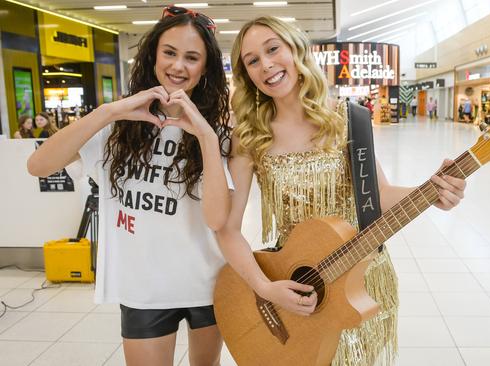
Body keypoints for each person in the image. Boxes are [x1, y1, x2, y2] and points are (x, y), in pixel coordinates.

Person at [212, 16, 467, 366]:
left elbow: (376, 196)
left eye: (273, 49)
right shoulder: (250, 135)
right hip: (296, 285)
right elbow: (227, 229)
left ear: (295, 50)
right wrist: (265, 287)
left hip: (362, 280)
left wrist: (431, 192)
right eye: (252, 60)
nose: (266, 64)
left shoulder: (349, 119)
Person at [27, 6, 232, 366]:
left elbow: (216, 218)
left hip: (208, 284)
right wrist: (110, 111)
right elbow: (38, 165)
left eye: (191, 57)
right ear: (153, 54)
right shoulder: (116, 127)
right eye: (169, 52)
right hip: (143, 288)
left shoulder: (218, 133)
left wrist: (204, 134)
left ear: (206, 67)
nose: (178, 66)